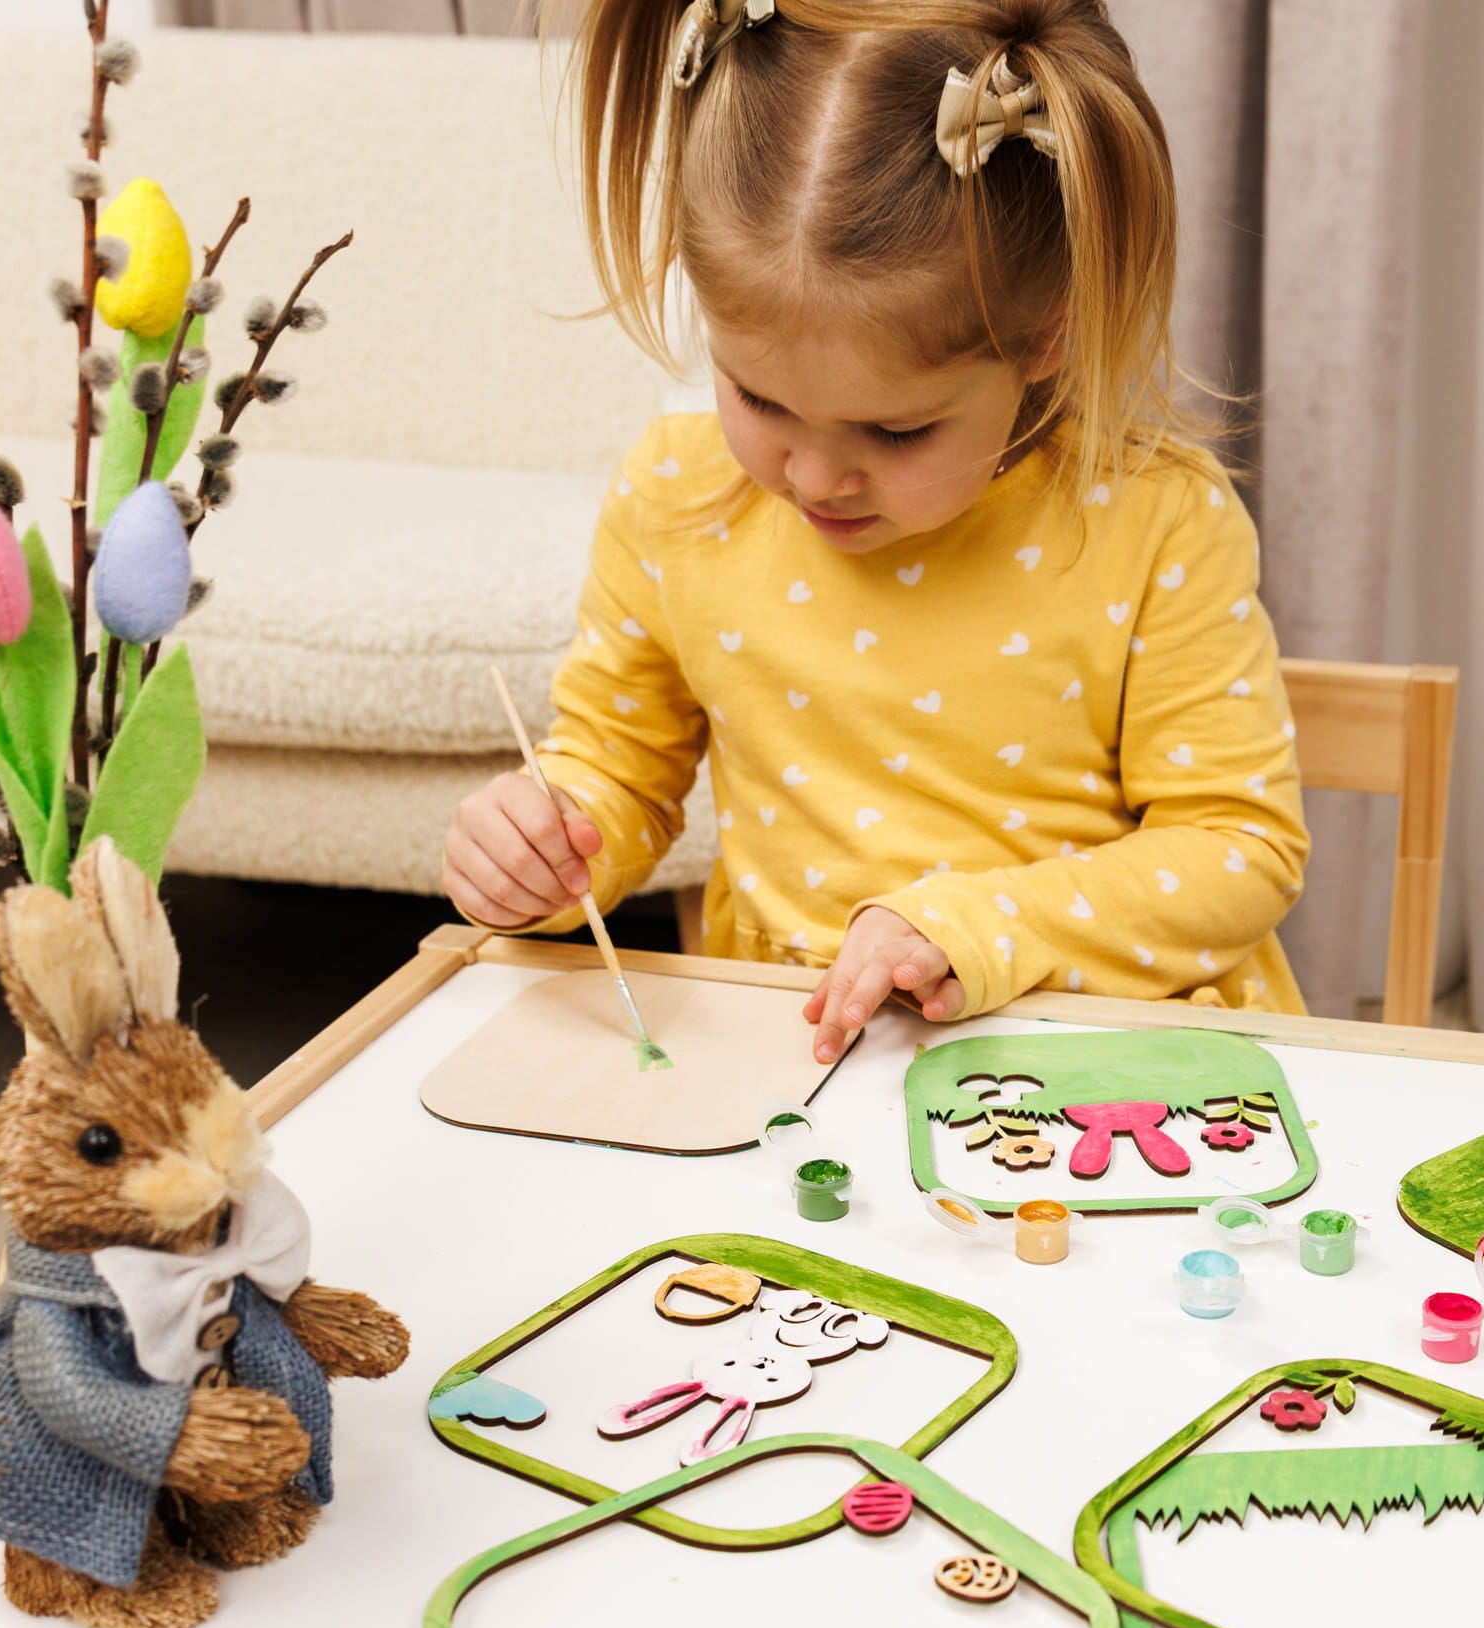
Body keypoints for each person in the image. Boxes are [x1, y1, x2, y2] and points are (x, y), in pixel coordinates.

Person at [442, 0, 1310, 1063]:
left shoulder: (1152, 520)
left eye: (894, 429)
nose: (813, 475)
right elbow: (618, 769)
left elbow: (1238, 849)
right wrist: (548, 844)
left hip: (1101, 1060)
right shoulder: (672, 496)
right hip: (796, 1056)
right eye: (756, 399)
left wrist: (980, 925)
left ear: (1049, 331)